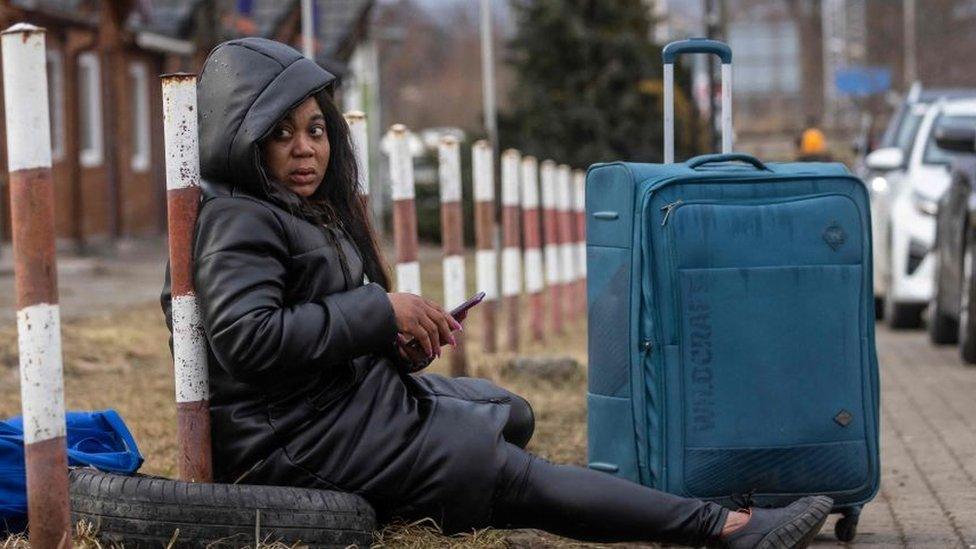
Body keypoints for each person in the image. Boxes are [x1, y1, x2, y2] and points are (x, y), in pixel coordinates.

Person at [161, 37, 832, 549]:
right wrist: (377, 309)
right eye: (280, 133)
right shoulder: (238, 218)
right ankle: (725, 526)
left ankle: (505, 483)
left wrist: (396, 341)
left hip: (342, 407)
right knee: (501, 466)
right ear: (239, 135)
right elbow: (249, 339)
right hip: (298, 442)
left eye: (314, 129)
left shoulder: (298, 210)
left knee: (507, 410)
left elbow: (319, 329)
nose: (304, 149)